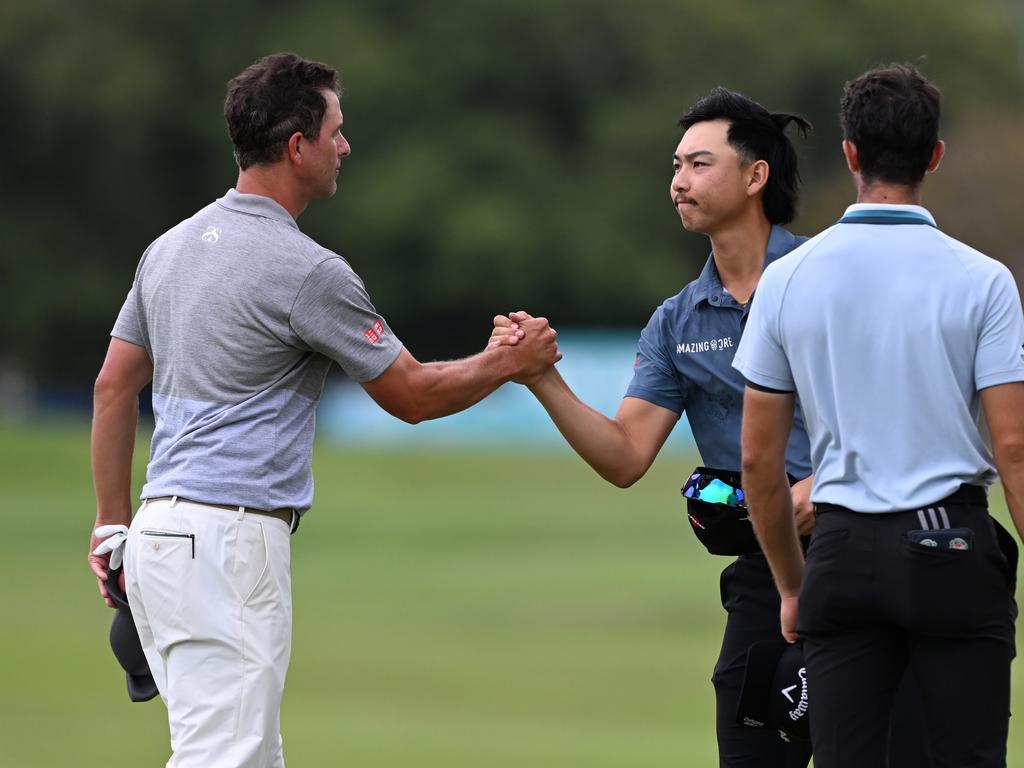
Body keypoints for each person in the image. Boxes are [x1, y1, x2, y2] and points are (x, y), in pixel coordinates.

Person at [87, 52, 559, 768]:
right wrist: (507, 364)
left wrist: (111, 522)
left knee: (244, 755)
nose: (345, 147)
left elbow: (113, 386)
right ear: (296, 146)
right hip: (229, 542)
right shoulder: (306, 270)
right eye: (335, 131)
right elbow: (411, 395)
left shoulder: (169, 248)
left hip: (157, 536)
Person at [493, 88, 817, 767]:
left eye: (699, 164)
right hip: (764, 569)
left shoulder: (828, 277)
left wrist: (814, 492)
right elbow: (625, 456)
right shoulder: (678, 320)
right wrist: (541, 378)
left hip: (856, 548)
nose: (678, 181)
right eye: (676, 165)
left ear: (756, 176)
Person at [735, 62, 1024, 768]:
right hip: (952, 545)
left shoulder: (788, 277)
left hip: (841, 553)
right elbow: (1013, 448)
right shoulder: (984, 280)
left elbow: (757, 462)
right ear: (934, 156)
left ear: (851, 154)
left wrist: (792, 586)